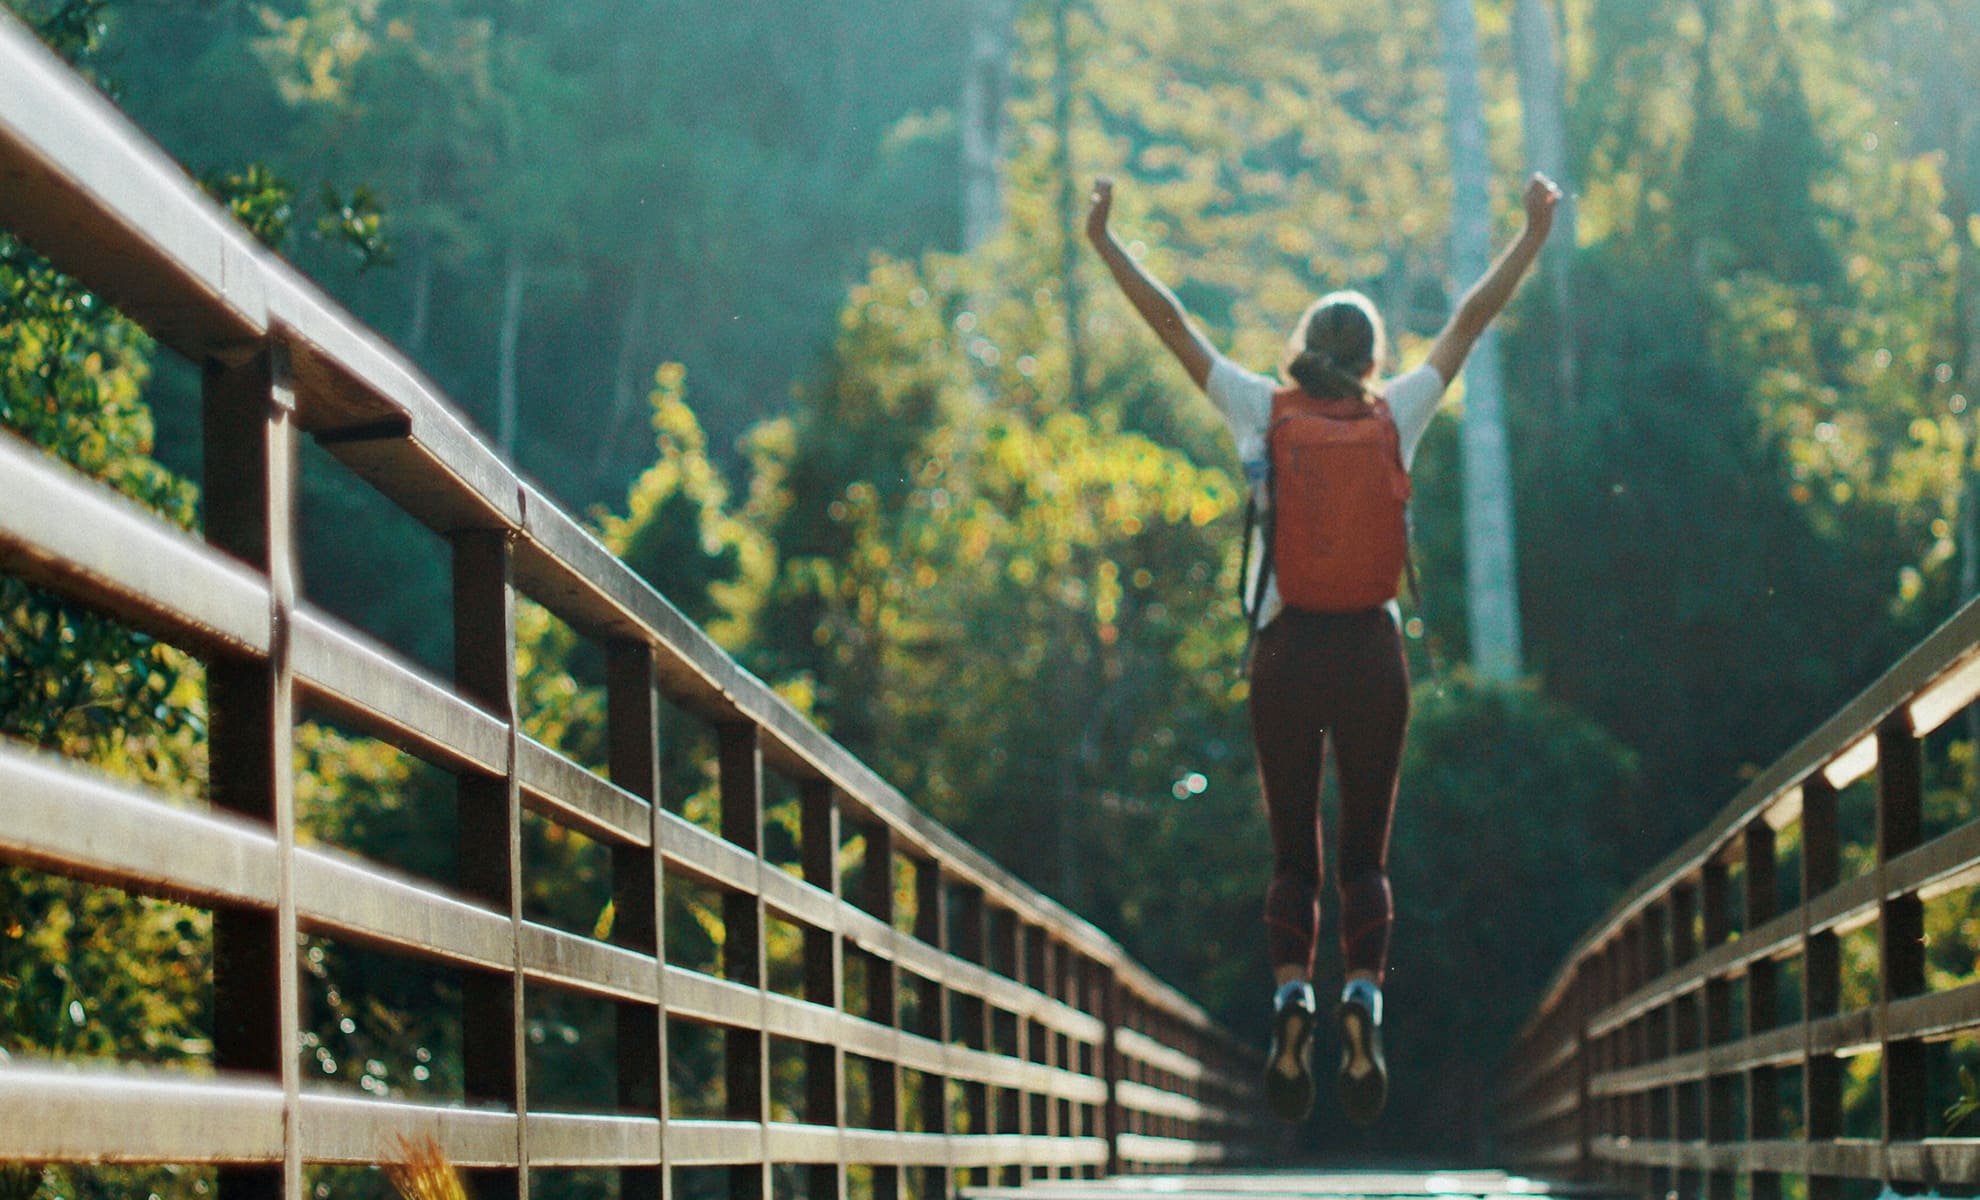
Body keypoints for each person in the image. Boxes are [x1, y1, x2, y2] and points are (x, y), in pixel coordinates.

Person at [1085, 171, 1560, 1125]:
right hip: (1373, 654)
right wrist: (1533, 233)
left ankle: (1293, 992)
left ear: (1304, 349)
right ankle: (1364, 997)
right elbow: (1469, 319)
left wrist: (1105, 242)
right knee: (1364, 857)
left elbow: (1176, 324)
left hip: (1286, 653)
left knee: (1293, 859)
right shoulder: (1397, 414)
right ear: (1375, 354)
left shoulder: (1262, 410)